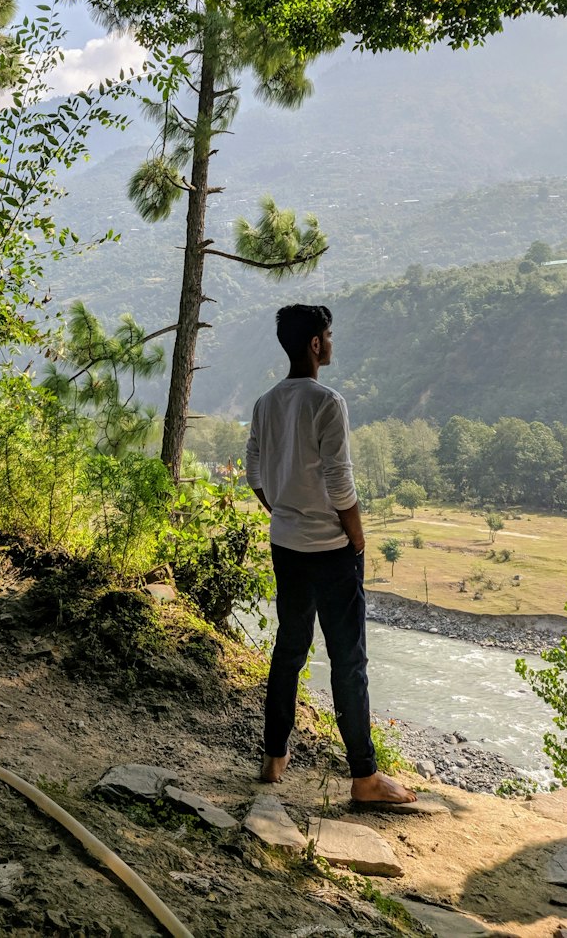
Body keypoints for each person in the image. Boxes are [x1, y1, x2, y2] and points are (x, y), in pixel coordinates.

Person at [245, 303, 415, 806]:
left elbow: (255, 472)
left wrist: (284, 512)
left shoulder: (266, 402)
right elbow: (340, 481)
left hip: (286, 545)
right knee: (349, 662)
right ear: (316, 345)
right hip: (331, 550)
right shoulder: (328, 402)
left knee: (289, 649)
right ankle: (364, 779)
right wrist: (357, 537)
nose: (332, 343)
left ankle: (274, 756)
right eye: (329, 335)